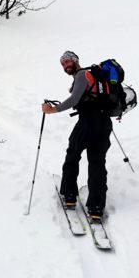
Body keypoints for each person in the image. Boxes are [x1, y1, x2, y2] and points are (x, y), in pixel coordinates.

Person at [42, 50, 112, 221]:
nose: (66, 65)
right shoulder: (93, 76)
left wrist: (53, 110)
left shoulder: (82, 75)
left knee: (72, 155)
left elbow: (73, 100)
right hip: (104, 124)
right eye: (63, 64)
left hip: (88, 122)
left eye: (68, 61)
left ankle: (70, 195)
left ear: (76, 61)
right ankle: (96, 207)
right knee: (97, 162)